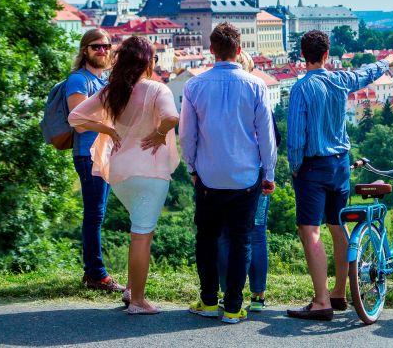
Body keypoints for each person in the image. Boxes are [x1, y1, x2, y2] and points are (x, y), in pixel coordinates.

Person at [285, 31, 393, 321]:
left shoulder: (301, 89)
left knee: (310, 230)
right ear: (326, 55)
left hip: (312, 165)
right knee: (338, 228)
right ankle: (338, 293)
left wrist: (294, 167)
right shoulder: (339, 80)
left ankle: (321, 301)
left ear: (302, 54)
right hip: (341, 164)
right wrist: (386, 61)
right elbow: (365, 73)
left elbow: (296, 137)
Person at [68, 36, 180, 315]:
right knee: (142, 234)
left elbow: (76, 117)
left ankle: (132, 290)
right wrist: (157, 134)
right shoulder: (157, 89)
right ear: (147, 62)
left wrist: (108, 130)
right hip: (150, 171)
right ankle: (138, 302)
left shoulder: (112, 91)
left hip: (119, 172)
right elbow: (171, 118)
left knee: (138, 227)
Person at [180, 23, 277, 324]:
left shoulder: (194, 86)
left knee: (206, 239)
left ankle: (209, 301)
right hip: (246, 177)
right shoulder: (256, 85)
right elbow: (266, 136)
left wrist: (192, 168)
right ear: (238, 50)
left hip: (208, 177)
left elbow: (186, 136)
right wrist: (269, 173)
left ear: (211, 50)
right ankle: (234, 307)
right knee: (241, 240)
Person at [65, 28, 125, 295]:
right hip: (88, 154)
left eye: (106, 46)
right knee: (94, 215)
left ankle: (93, 271)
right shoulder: (79, 80)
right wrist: (110, 130)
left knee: (97, 215)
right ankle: (97, 274)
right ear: (85, 51)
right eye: (96, 47)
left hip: (103, 154)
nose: (102, 51)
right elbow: (77, 123)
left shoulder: (103, 81)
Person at [216, 50, 276, 312]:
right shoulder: (257, 95)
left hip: (221, 176)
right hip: (257, 174)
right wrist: (268, 172)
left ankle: (227, 293)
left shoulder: (218, 101)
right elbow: (273, 140)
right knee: (256, 235)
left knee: (225, 236)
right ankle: (258, 296)